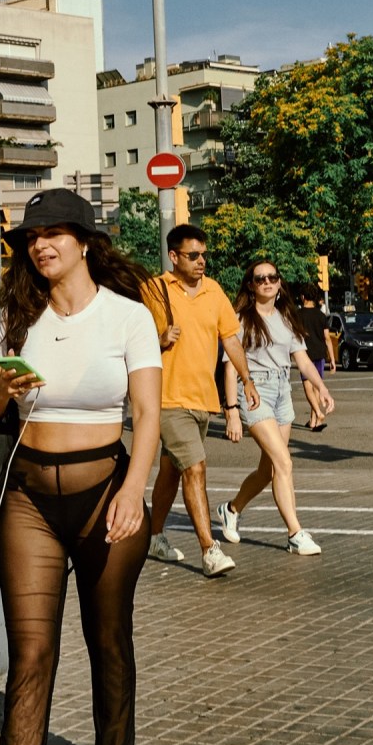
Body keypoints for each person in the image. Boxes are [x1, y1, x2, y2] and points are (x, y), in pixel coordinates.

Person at [0, 188, 161, 745]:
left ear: (84, 242)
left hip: (105, 496)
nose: (40, 246)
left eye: (53, 234)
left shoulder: (128, 317)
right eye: (32, 237)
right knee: (30, 654)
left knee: (108, 645)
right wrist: (3, 387)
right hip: (28, 500)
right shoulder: (18, 316)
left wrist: (134, 492)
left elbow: (149, 413)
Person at [141, 224, 259, 578]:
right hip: (166, 397)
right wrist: (158, 339)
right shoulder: (155, 289)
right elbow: (130, 339)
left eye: (204, 255)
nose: (201, 261)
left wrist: (246, 382)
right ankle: (210, 550)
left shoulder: (213, 291)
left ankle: (154, 535)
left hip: (202, 400)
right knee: (196, 467)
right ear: (174, 256)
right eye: (193, 255)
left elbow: (231, 340)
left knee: (172, 471)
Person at [216, 262, 337, 555]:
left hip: (283, 391)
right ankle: (295, 532)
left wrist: (321, 387)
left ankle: (231, 509)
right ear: (251, 285)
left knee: (269, 469)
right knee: (284, 462)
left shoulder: (286, 317)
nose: (267, 282)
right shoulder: (241, 319)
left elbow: (303, 360)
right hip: (254, 393)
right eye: (260, 279)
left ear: (280, 284)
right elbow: (230, 367)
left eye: (272, 277)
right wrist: (231, 409)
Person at [296, 285, 333, 429]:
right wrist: (332, 358)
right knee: (317, 387)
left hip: (305, 354)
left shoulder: (298, 315)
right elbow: (327, 338)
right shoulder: (321, 316)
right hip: (320, 354)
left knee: (308, 387)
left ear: (303, 297)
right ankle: (313, 421)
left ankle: (318, 414)